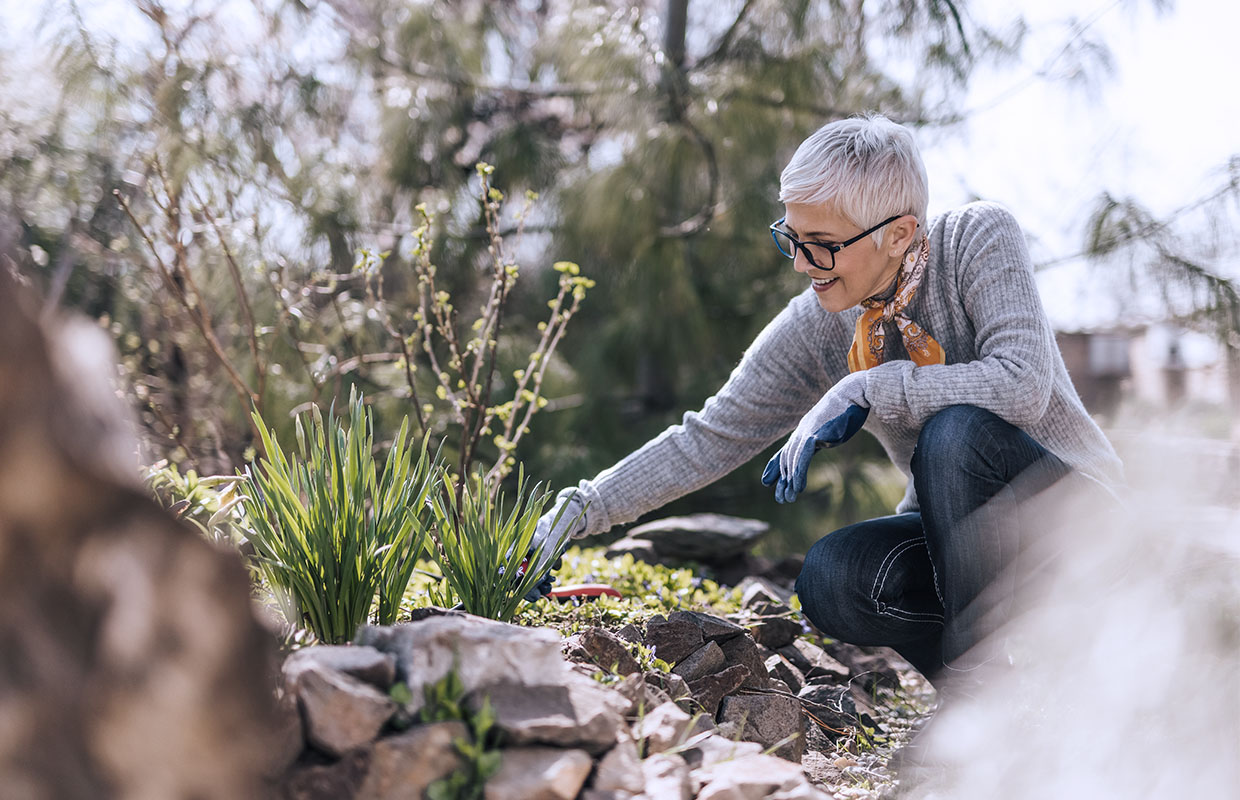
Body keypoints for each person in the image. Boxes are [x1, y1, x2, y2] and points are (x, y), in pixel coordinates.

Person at [528, 113, 1122, 687]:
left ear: (899, 234)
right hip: (962, 550)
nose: (803, 265)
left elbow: (1020, 383)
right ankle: (996, 705)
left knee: (956, 431)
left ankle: (974, 700)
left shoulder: (977, 238)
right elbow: (709, 436)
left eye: (823, 244)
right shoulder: (821, 321)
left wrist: (870, 386)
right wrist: (577, 512)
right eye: (792, 237)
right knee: (834, 578)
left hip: (1079, 525)